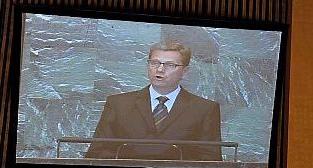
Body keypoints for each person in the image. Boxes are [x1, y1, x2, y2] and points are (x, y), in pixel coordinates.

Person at [86, 41, 222, 161]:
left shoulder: (204, 109)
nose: (160, 69)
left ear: (184, 71)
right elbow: (97, 153)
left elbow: (210, 159)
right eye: (154, 63)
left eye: (169, 65)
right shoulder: (118, 104)